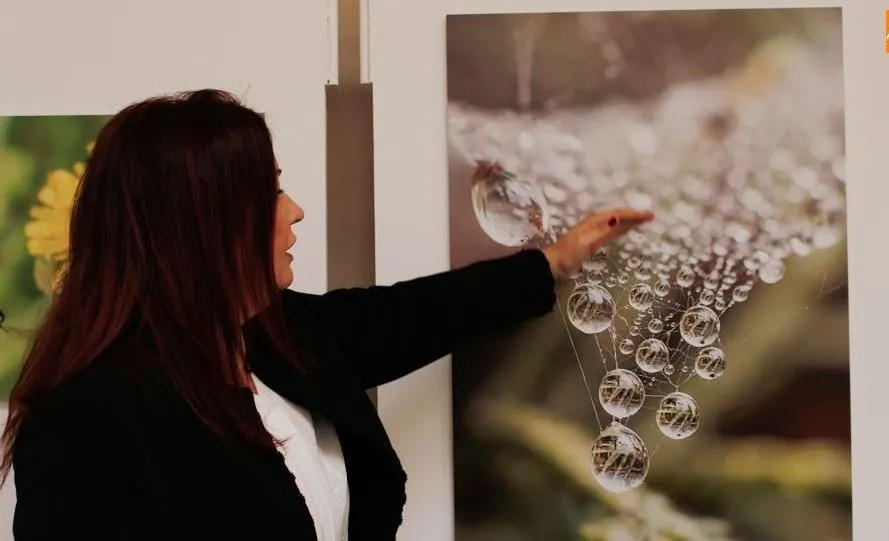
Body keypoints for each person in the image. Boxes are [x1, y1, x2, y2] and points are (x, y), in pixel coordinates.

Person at [0, 89, 653, 540]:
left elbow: (407, 316)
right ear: (203, 225)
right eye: (272, 191)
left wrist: (554, 261)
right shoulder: (85, 419)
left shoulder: (274, 335)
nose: (295, 211)